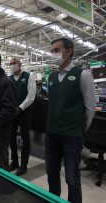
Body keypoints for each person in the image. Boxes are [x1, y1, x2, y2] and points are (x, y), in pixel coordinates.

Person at [46, 38, 95, 203]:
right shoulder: (51, 76)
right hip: (52, 133)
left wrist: (79, 130)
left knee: (72, 178)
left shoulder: (83, 75)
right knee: (52, 172)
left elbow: (90, 107)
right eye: (52, 50)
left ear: (69, 51)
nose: (53, 54)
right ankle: (54, 200)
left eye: (56, 50)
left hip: (72, 136)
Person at [8, 58, 36, 176]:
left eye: (14, 63)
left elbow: (31, 96)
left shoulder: (28, 77)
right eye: (10, 64)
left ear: (20, 64)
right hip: (11, 112)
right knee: (11, 137)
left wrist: (20, 108)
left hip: (25, 112)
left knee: (25, 138)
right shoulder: (8, 79)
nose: (12, 65)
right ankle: (14, 161)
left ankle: (23, 165)